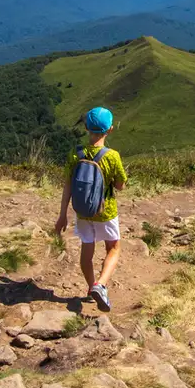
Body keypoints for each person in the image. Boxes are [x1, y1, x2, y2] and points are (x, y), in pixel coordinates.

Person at [54, 107, 128, 312]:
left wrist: (62, 215)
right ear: (110, 129)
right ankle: (100, 285)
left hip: (82, 211)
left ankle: (90, 287)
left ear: (86, 127)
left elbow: (68, 184)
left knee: (87, 250)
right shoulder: (112, 156)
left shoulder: (76, 153)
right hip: (106, 211)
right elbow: (120, 185)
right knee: (113, 247)